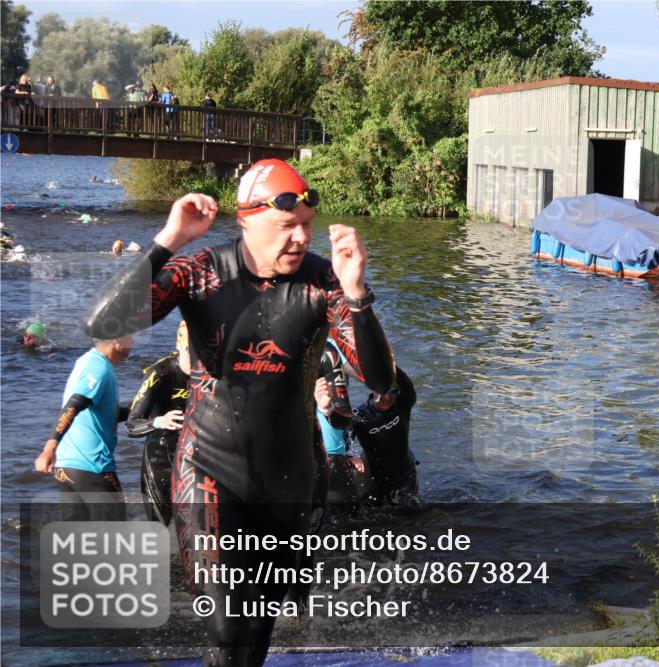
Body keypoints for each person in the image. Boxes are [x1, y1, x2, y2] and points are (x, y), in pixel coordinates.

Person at [82, 158, 395, 666]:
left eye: (306, 227)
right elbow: (105, 322)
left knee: (256, 630)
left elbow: (380, 383)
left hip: (287, 479)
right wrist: (168, 241)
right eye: (286, 226)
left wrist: (357, 294)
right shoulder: (201, 271)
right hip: (208, 469)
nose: (299, 238)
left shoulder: (323, 282)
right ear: (247, 221)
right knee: (227, 627)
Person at [34, 336, 133, 521]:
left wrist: (136, 409)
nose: (133, 342)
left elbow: (101, 413)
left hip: (67, 467)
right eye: (130, 336)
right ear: (117, 340)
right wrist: (49, 448)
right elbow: (73, 406)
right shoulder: (99, 368)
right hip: (92, 467)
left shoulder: (89, 360)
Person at [315, 340, 419, 508]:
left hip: (404, 472)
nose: (386, 398)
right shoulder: (360, 417)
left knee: (411, 515)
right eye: (381, 392)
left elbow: (405, 383)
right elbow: (341, 432)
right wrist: (348, 458)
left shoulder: (403, 404)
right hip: (375, 479)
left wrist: (382, 360)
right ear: (371, 389)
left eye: (392, 392)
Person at [126, 321, 191, 524]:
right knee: (160, 528)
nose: (197, 358)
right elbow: (132, 424)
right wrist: (157, 422)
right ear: (179, 345)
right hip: (160, 460)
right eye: (191, 349)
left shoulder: (209, 372)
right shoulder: (160, 373)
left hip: (193, 459)